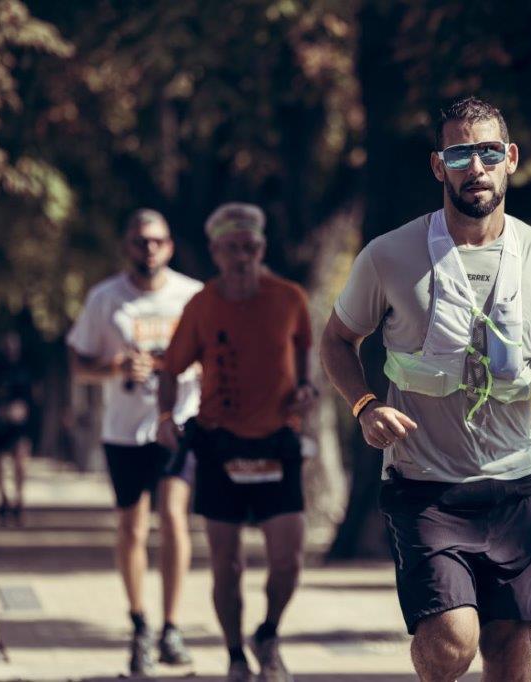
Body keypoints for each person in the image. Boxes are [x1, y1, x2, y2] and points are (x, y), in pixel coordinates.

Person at [320, 96, 531, 682]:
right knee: (452, 641)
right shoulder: (389, 255)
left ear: (510, 158)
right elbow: (337, 339)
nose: (476, 167)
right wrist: (364, 405)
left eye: (488, 152)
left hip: (515, 485)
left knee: (510, 650)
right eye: (460, 154)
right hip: (425, 485)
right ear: (438, 165)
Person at [157, 202, 316, 682]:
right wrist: (165, 418)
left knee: (288, 560)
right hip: (219, 443)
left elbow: (304, 366)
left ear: (262, 249)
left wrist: (306, 394)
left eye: (250, 247)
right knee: (226, 566)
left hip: (277, 444)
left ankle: (268, 633)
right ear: (215, 252)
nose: (242, 257)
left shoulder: (289, 298)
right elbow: (170, 368)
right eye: (231, 249)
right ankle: (234, 656)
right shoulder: (202, 305)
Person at [66, 208, 202, 676]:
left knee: (174, 518)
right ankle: (140, 622)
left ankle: (172, 627)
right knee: (131, 528)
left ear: (170, 246)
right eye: (141, 241)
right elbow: (79, 364)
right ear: (127, 245)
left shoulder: (193, 295)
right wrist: (116, 367)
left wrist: (178, 365)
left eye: (157, 241)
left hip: (179, 424)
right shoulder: (105, 298)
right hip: (124, 430)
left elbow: (217, 358)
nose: (149, 249)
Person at [0, 333, 34, 525]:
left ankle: (19, 499)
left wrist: (22, 410)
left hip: (20, 425)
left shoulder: (26, 368)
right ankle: (3, 499)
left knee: (20, 460)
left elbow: (34, 397)